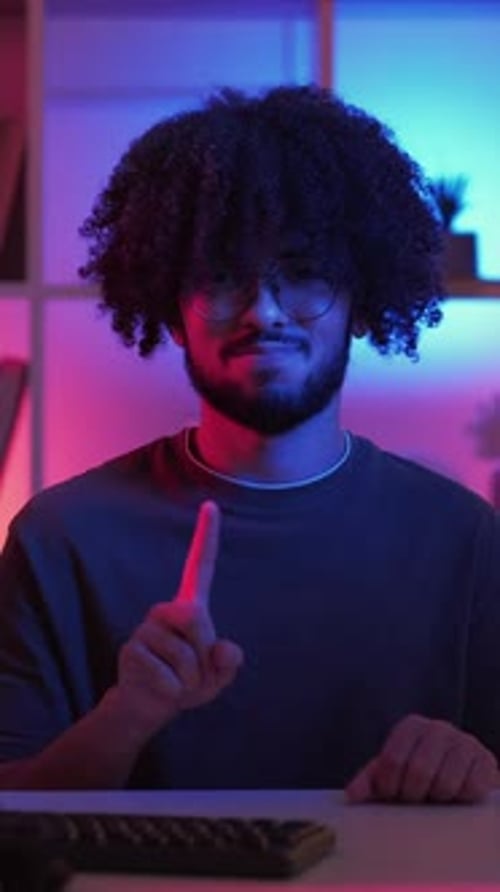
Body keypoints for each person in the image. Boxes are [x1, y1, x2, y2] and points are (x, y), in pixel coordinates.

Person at [0, 85, 499, 803]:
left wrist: (476, 770)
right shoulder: (62, 540)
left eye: (300, 273)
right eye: (223, 276)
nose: (264, 311)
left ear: (360, 304)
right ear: (171, 313)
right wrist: (129, 714)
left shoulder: (466, 541)